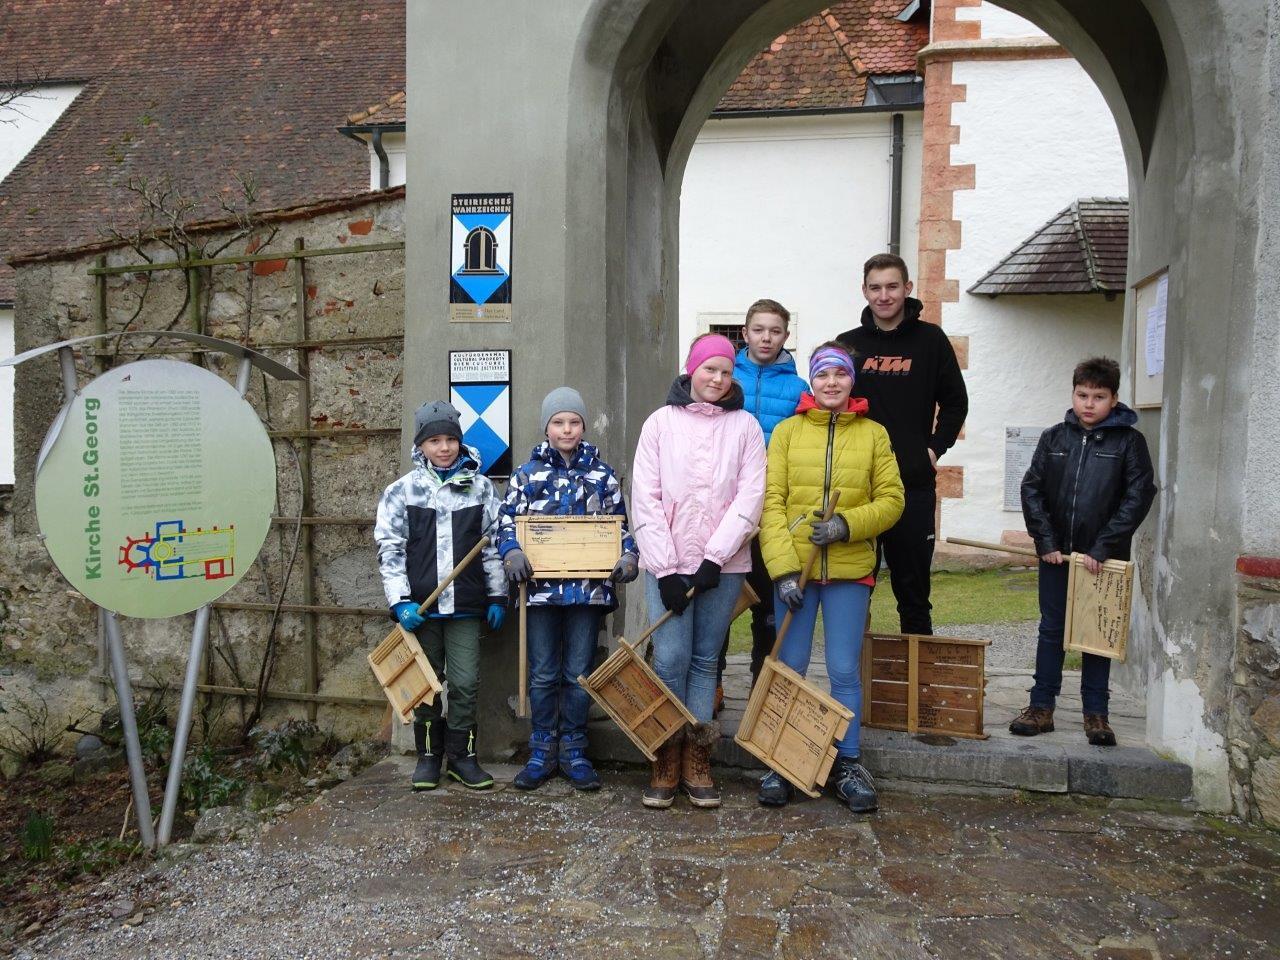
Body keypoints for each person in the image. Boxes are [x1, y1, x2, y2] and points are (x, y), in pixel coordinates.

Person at [758, 342, 904, 812]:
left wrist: (846, 525)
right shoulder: (787, 432)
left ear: (851, 380)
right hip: (795, 576)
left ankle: (849, 763)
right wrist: (782, 571)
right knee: (791, 666)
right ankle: (782, 759)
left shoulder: (874, 435)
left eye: (840, 374)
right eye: (823, 375)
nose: (831, 383)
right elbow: (771, 504)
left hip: (849, 570)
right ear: (812, 380)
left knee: (843, 669)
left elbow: (892, 500)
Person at [630, 334, 766, 809]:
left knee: (707, 659)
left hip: (721, 568)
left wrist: (714, 558)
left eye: (726, 372)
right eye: (710, 369)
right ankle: (665, 754)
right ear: (692, 370)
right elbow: (645, 497)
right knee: (670, 658)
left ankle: (697, 756)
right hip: (666, 563)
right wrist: (666, 569)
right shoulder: (660, 423)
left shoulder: (746, 427)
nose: (718, 379)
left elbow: (750, 496)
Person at [498, 387, 639, 791]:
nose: (566, 429)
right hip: (539, 593)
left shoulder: (602, 475)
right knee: (543, 673)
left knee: (579, 672)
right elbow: (506, 522)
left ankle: (575, 750)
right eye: (558, 422)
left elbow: (620, 525)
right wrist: (511, 552)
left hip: (586, 593)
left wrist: (628, 556)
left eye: (574, 421)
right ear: (546, 427)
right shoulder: (526, 476)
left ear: (583, 426)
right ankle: (542, 750)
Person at [1011, 357, 1156, 746]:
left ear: (1114, 399)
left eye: (1099, 396)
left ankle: (1096, 714)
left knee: (1096, 632)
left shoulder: (1129, 442)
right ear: (1073, 394)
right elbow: (1032, 489)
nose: (1089, 404)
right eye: (1082, 395)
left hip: (1102, 560)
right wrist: (1046, 542)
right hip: (1057, 557)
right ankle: (1041, 707)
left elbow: (1139, 495)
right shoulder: (1054, 438)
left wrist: (1103, 546)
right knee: (1052, 629)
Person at [375, 400, 507, 791]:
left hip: (465, 607)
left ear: (460, 442)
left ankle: (463, 758)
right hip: (422, 608)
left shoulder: (481, 488)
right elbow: (390, 549)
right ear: (421, 445)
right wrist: (400, 602)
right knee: (426, 684)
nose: (444, 447)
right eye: (434, 441)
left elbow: (493, 547)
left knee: (465, 683)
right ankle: (429, 756)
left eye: (451, 439)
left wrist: (497, 597)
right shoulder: (402, 492)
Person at [837, 253, 967, 636]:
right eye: (875, 287)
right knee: (853, 594)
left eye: (892, 286)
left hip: (911, 484)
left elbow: (956, 402)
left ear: (907, 288)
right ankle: (854, 670)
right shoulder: (849, 345)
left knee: (913, 595)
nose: (884, 295)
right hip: (858, 488)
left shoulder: (931, 340)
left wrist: (934, 449)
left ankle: (917, 673)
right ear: (864, 291)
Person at [713, 299, 809, 709]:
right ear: (745, 333)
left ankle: (761, 689)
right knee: (719, 604)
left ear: (786, 335)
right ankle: (712, 684)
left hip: (771, 513)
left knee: (768, 607)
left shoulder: (799, 389)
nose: (766, 338)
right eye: (758, 330)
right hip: (724, 510)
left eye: (775, 331)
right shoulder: (725, 377)